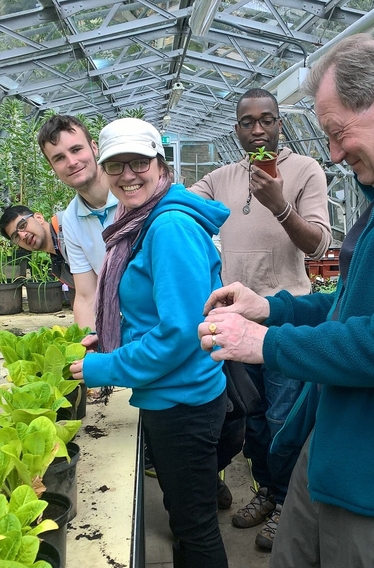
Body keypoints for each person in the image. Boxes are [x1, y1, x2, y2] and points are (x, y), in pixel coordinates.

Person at [198, 34, 374, 568]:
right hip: (330, 446)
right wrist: (273, 309)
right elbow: (351, 306)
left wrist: (268, 342)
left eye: (336, 132)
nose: (332, 152)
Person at [69, 117, 230, 568]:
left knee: (194, 528)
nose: (127, 175)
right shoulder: (141, 219)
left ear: (160, 163)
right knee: (186, 517)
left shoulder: (168, 227)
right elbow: (158, 312)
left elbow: (180, 333)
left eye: (138, 162)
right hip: (173, 394)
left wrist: (106, 366)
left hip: (183, 402)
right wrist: (113, 334)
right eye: (115, 165)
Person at [190, 87, 331, 548]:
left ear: (279, 124)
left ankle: (290, 502)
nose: (257, 131)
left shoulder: (305, 170)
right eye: (247, 123)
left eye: (266, 120)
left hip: (288, 318)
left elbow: (318, 246)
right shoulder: (221, 178)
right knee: (251, 417)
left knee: (286, 416)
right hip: (236, 318)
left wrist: (279, 204)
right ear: (236, 130)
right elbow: (177, 205)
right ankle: (268, 492)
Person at [38, 115, 118, 329]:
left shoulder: (131, 193)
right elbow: (85, 296)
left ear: (94, 147)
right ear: (52, 167)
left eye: (76, 150)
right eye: (59, 158)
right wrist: (88, 350)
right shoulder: (71, 220)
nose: (72, 162)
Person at [0, 205, 74, 291]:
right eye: (16, 236)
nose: (23, 235)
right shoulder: (59, 264)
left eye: (22, 225)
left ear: (39, 218)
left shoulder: (70, 227)